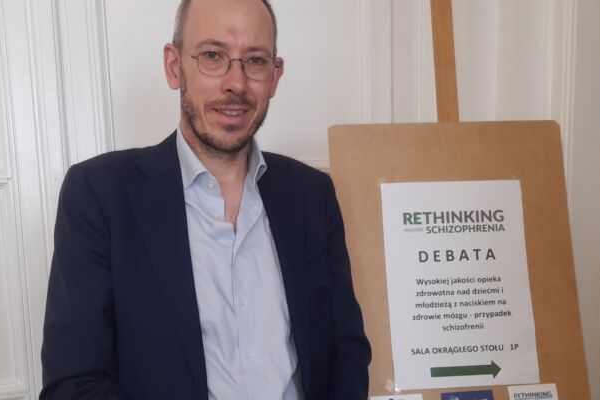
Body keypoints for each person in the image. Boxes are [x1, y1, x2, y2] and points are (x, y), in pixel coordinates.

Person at [39, 0, 371, 398]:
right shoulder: (99, 195)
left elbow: (346, 349)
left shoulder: (312, 195)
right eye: (213, 56)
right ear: (174, 66)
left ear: (275, 76)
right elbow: (75, 384)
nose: (236, 84)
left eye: (255, 60)